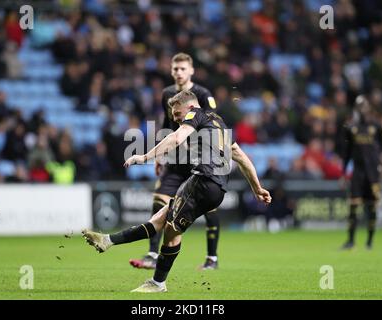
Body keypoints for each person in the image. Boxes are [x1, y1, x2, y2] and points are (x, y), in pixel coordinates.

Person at [82, 90, 271, 293]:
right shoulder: (218, 122)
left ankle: (158, 283)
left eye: (177, 113)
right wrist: (257, 188)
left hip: (203, 181)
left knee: (171, 231)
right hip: (216, 189)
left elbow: (176, 138)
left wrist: (145, 157)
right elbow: (240, 156)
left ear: (189, 108)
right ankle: (108, 241)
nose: (176, 118)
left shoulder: (194, 114)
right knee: (161, 218)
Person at [129, 53, 222, 270]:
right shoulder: (167, 94)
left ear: (191, 71)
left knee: (209, 208)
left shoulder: (202, 94)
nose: (179, 72)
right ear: (171, 71)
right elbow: (167, 124)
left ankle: (212, 258)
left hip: (199, 160)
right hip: (175, 157)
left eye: (182, 69)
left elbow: (212, 124)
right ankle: (152, 254)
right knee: (159, 199)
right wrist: (160, 154)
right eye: (175, 69)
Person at [340, 95, 382, 250]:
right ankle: (350, 241)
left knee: (371, 207)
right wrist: (344, 173)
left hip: (373, 174)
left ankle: (369, 242)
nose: (361, 110)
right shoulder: (351, 129)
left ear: (368, 108)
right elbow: (347, 153)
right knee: (353, 206)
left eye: (363, 106)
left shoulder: (378, 128)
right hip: (357, 174)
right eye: (359, 107)